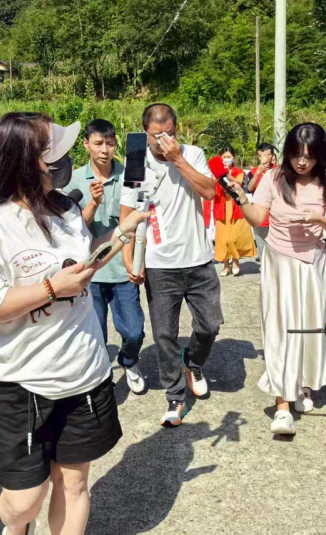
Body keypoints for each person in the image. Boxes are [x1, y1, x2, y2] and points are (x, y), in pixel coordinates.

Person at [0, 112, 147, 535]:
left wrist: (122, 233)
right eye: (54, 153)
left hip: (84, 371)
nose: (63, 161)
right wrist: (50, 288)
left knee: (74, 483)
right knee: (23, 502)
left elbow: (82, 266)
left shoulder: (66, 208)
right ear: (24, 161)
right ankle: (17, 527)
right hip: (22, 382)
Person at [231, 123, 326, 435]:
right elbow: (258, 217)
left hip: (311, 264)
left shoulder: (325, 180)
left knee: (308, 326)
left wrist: (318, 218)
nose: (302, 162)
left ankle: (303, 384)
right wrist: (242, 199)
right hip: (279, 261)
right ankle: (282, 406)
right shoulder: (274, 178)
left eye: (309, 156)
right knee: (280, 328)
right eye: (296, 155)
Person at [119, 103, 222, 427]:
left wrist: (177, 159)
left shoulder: (192, 154)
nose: (163, 142)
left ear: (177, 130)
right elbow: (127, 217)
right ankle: (175, 397)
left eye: (169, 134)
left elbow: (209, 192)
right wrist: (130, 260)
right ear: (145, 133)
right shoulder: (137, 161)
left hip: (199, 259)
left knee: (210, 326)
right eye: (155, 136)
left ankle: (193, 362)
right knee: (164, 335)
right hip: (160, 265)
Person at [66, 119, 146, 394]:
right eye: (98, 143)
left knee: (134, 331)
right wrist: (93, 203)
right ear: (86, 144)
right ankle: (101, 374)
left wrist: (136, 263)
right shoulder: (74, 180)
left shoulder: (131, 175)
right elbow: (71, 231)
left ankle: (129, 361)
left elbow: (138, 223)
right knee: (95, 332)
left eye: (110, 144)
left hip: (122, 270)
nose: (104, 150)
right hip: (90, 273)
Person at [210, 145, 256, 276]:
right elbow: (211, 185)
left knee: (234, 237)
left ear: (233, 157)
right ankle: (225, 266)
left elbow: (239, 182)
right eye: (224, 157)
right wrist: (215, 175)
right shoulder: (214, 172)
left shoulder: (238, 171)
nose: (226, 159)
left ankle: (236, 261)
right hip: (221, 206)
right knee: (223, 238)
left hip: (235, 207)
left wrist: (226, 174)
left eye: (228, 157)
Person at [247, 142, 276, 259]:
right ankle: (264, 270)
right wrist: (257, 173)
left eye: (268, 155)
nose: (265, 158)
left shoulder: (278, 171)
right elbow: (250, 188)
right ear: (258, 156)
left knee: (276, 250)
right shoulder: (253, 171)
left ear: (272, 156)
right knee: (263, 250)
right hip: (260, 216)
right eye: (262, 155)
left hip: (276, 216)